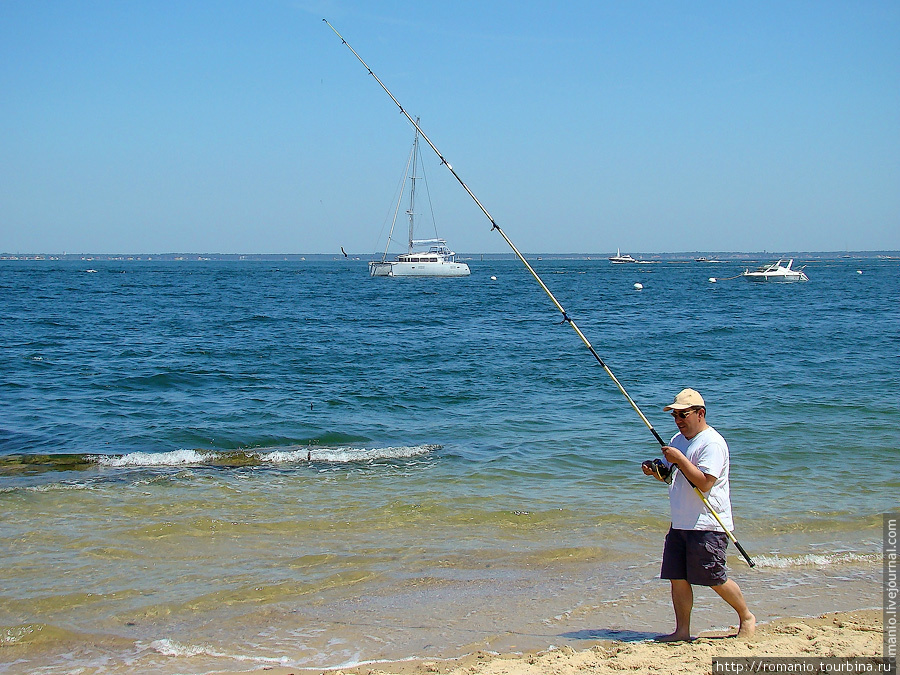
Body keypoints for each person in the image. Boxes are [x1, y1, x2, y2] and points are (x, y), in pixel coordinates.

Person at [642, 388, 755, 641]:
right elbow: (672, 476)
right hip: (680, 521)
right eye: (675, 416)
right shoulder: (677, 440)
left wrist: (680, 459)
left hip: (708, 524)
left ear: (700, 413)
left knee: (713, 577)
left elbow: (704, 483)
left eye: (683, 414)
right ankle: (682, 631)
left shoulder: (712, 443)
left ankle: (746, 616)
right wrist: (655, 471)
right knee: (677, 578)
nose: (678, 420)